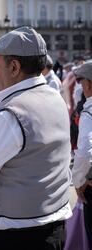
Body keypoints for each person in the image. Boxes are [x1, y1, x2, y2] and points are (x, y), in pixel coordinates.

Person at [0, 26, 72, 250]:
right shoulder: (54, 97)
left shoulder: (10, 114)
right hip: (53, 227)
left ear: (14, 67)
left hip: (17, 236)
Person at [71, 61, 92, 248]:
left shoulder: (89, 113)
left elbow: (85, 152)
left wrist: (78, 182)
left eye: (81, 81)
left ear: (88, 84)